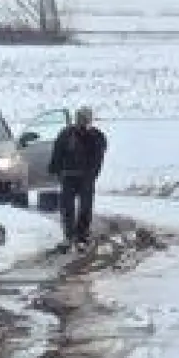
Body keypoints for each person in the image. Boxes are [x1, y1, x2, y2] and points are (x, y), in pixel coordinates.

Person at [47, 106, 108, 252]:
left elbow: (99, 158)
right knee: (67, 207)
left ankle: (82, 236)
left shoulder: (97, 136)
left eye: (86, 118)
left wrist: (93, 174)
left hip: (86, 177)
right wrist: (55, 168)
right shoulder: (66, 134)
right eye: (81, 118)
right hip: (69, 176)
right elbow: (57, 152)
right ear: (76, 118)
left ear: (90, 119)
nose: (83, 121)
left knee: (85, 208)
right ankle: (69, 236)